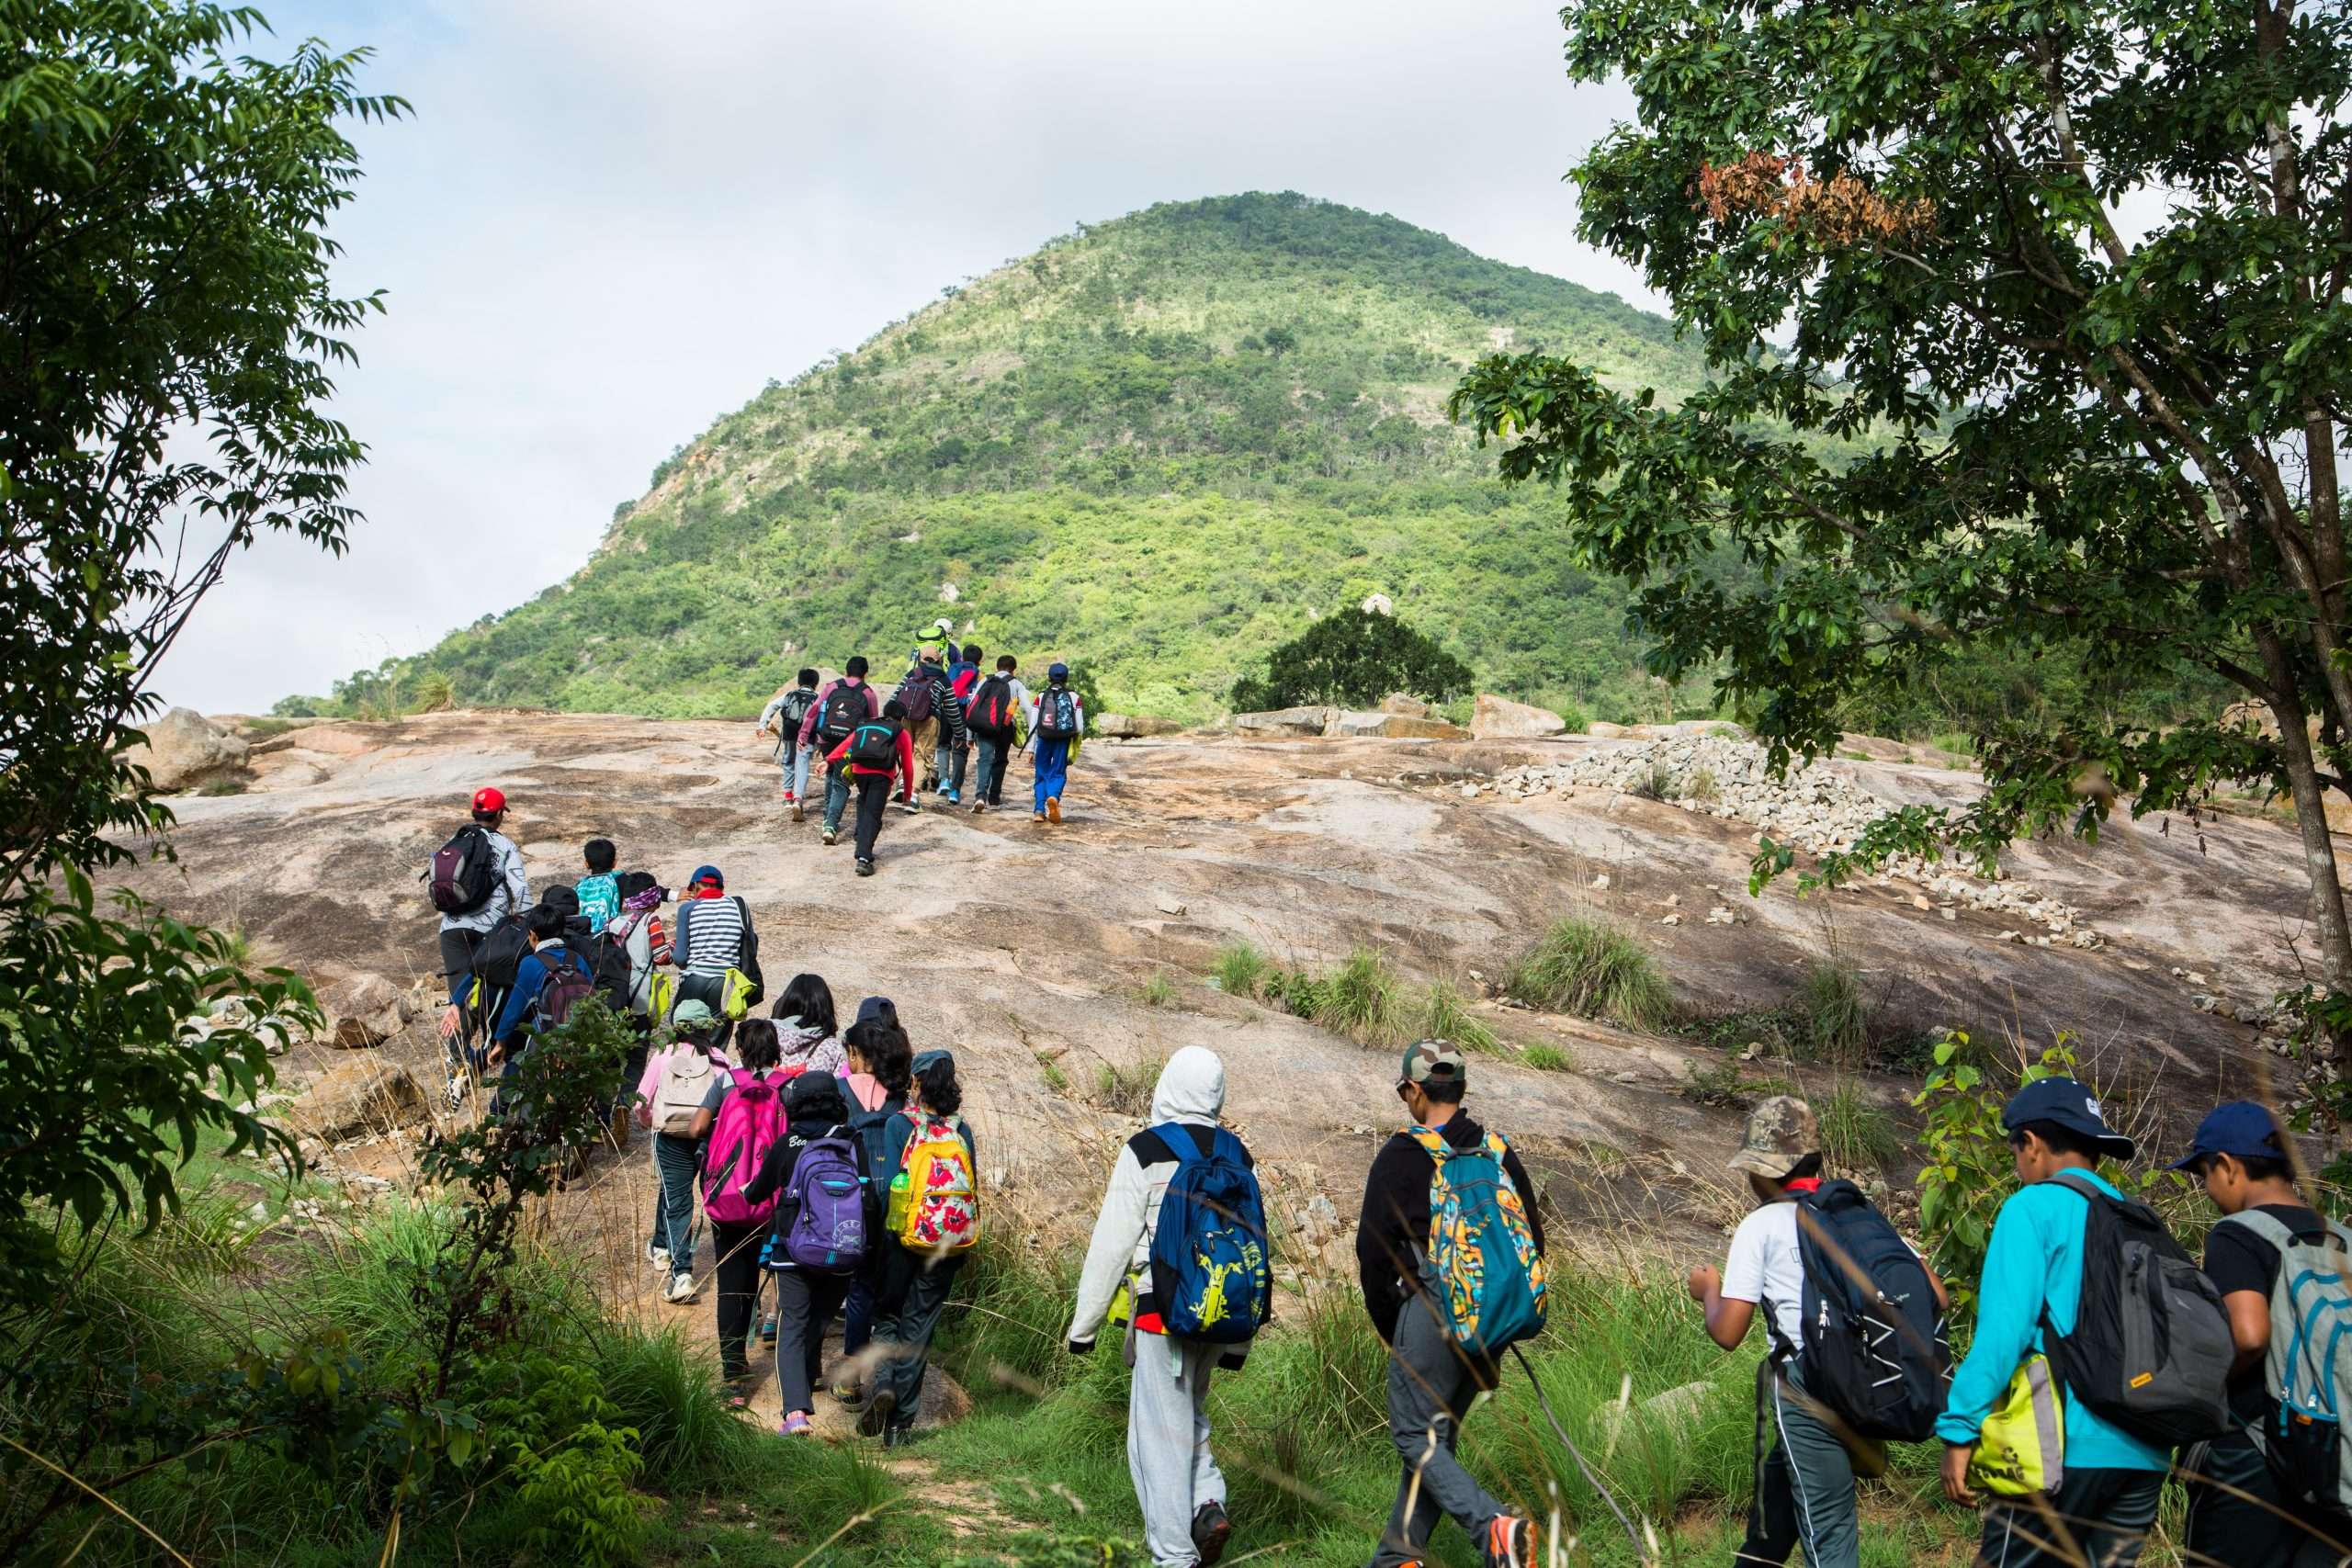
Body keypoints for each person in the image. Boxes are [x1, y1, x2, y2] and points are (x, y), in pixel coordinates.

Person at [1686, 1097, 1946, 1568]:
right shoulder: (1857, 1215)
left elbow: (1728, 1331)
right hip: (1859, 1379)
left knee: (1829, 1532)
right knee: (1772, 1521)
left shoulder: (1760, 1225)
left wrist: (1708, 1290)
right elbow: (1937, 1296)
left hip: (1806, 1391)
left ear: (1762, 1171)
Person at [1937, 1078, 2169, 1568]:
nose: (2018, 1165)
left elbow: (2005, 1334)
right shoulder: (2140, 1217)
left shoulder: (2031, 1208)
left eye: (2015, 1150)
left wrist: (1961, 1428)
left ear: (2033, 1145)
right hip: (2144, 1453)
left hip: (2058, 1454)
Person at [1355, 1040, 1544, 1568]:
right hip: (1492, 1311)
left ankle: (1495, 1530)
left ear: (1414, 1091)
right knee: (1435, 1440)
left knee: (1416, 1433)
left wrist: (1396, 1328)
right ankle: (1398, 1558)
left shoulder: (1400, 1156)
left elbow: (1373, 1253)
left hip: (1431, 1309)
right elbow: (1531, 1238)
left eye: (1403, 1091)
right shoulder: (1497, 1149)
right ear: (1459, 1090)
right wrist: (1497, 1314)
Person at [1068, 1047, 1258, 1568]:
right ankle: (1207, 1504)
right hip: (1219, 1317)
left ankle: (1174, 1555)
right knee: (1191, 1418)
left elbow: (1112, 1244)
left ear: (1168, 1085)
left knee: (1153, 1438)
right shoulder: (1238, 1155)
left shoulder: (1147, 1150)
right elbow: (1249, 1248)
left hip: (1161, 1314)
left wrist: (1083, 1327)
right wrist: (1240, 1338)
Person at [2170, 1102, 2351, 1566]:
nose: (2207, 1189)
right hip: (2331, 1452)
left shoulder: (2237, 1233)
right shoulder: (2341, 1237)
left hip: (2256, 1449)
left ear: (2227, 1167)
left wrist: (2197, 1394)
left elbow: (2249, 1334)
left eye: (2204, 1174)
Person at [741, 1069, 878, 1437]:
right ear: (836, 1103)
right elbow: (868, 1198)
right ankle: (812, 1374)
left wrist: (744, 1189)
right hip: (843, 1252)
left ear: (797, 1104)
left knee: (792, 1326)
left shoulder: (788, 1143)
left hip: (794, 1251)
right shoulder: (852, 1141)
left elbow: (756, 1193)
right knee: (818, 1318)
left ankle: (795, 1414)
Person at [866, 1048, 978, 1446]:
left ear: (916, 1082)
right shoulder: (961, 1129)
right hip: (946, 1244)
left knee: (888, 1314)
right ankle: (899, 1427)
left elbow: (888, 1187)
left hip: (901, 1239)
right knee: (919, 1328)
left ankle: (883, 1382)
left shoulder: (900, 1124)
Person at [690, 1019, 786, 1394]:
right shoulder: (786, 1088)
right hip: (770, 1199)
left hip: (729, 1196)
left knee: (732, 1281)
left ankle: (733, 1371)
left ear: (741, 1050)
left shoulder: (727, 1082)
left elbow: (698, 1127)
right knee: (760, 1275)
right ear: (775, 1049)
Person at [836, 1000, 912, 1402]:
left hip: (853, 1197)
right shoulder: (899, 1095)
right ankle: (886, 1377)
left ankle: (850, 1378)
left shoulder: (839, 1090)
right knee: (890, 1290)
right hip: (896, 1196)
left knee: (860, 1288)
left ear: (856, 1053)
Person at [635, 999, 730, 1304]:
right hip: (708, 1139)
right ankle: (664, 1246)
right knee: (707, 1197)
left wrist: (654, 1122)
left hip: (671, 1138)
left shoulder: (663, 1057)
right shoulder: (720, 1061)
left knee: (677, 1199)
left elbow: (640, 1104)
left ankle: (682, 1274)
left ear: (677, 1028)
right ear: (707, 1028)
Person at [434, 786, 530, 1064]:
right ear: (500, 814)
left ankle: (458, 1058)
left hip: (451, 927)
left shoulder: (455, 840)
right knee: (489, 985)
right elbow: (519, 888)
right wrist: (528, 924)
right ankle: (492, 1051)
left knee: (458, 993)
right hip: (489, 930)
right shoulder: (505, 846)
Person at [601, 874, 673, 1145]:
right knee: (635, 1057)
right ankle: (624, 1103)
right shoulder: (650, 921)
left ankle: (603, 1112)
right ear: (651, 899)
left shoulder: (611, 923)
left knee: (609, 1059)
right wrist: (675, 946)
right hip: (640, 1001)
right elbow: (661, 956)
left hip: (613, 1001)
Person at [823, 698, 919, 878]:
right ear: (902, 718)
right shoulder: (900, 732)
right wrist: (907, 793)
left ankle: (861, 835)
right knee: (873, 815)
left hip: (859, 771)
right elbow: (907, 766)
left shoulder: (868, 724)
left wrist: (828, 759)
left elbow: (848, 744)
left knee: (864, 802)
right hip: (881, 776)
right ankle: (864, 858)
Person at [802, 656, 880, 847]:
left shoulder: (832, 687)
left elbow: (814, 710)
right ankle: (830, 824)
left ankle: (827, 816)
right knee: (841, 783)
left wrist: (804, 734)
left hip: (826, 738)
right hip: (848, 742)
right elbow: (872, 721)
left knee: (830, 773)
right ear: (865, 674)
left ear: (846, 671)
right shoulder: (868, 693)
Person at [673, 864, 754, 1016]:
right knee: (717, 1038)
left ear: (696, 885)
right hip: (725, 983)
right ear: (721, 887)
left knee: (687, 1035)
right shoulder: (738, 907)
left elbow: (679, 958)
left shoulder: (687, 909)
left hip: (694, 980)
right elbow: (751, 945)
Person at [965, 654, 1028, 815]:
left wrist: (969, 735)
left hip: (984, 725)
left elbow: (973, 706)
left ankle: (980, 796)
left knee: (984, 759)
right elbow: (1027, 708)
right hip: (1005, 727)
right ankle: (994, 799)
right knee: (1000, 760)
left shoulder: (985, 680)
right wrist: (1032, 732)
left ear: (997, 667)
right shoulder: (1016, 684)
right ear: (1014, 670)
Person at [759, 668, 823, 821]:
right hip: (808, 735)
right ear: (816, 684)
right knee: (802, 764)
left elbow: (772, 706)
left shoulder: (790, 695)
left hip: (789, 732)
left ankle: (788, 797)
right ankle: (798, 799)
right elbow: (822, 719)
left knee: (788, 760)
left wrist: (762, 725)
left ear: (799, 682)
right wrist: (821, 742)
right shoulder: (818, 697)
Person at [1026, 662, 1086, 825]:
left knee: (1041, 773)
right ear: (1066, 678)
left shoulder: (1041, 696)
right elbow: (1079, 727)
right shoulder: (1074, 697)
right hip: (1063, 739)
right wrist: (1074, 746)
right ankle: (1053, 796)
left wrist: (1031, 749)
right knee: (1058, 772)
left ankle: (1039, 810)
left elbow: (1033, 724)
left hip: (1044, 738)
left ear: (1048, 678)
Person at [772, 973, 848, 1078]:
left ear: (785, 1003)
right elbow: (841, 1087)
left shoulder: (765, 1035)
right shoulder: (831, 1048)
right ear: (825, 1008)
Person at [937, 642, 982, 804]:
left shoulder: (953, 668)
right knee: (960, 749)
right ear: (979, 660)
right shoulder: (976, 672)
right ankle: (955, 791)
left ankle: (943, 780)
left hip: (946, 708)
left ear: (963, 656)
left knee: (942, 744)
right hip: (963, 712)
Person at [575, 839, 621, 934]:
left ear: (586, 864)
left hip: (581, 937)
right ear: (614, 863)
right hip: (608, 938)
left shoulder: (579, 885)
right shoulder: (620, 880)